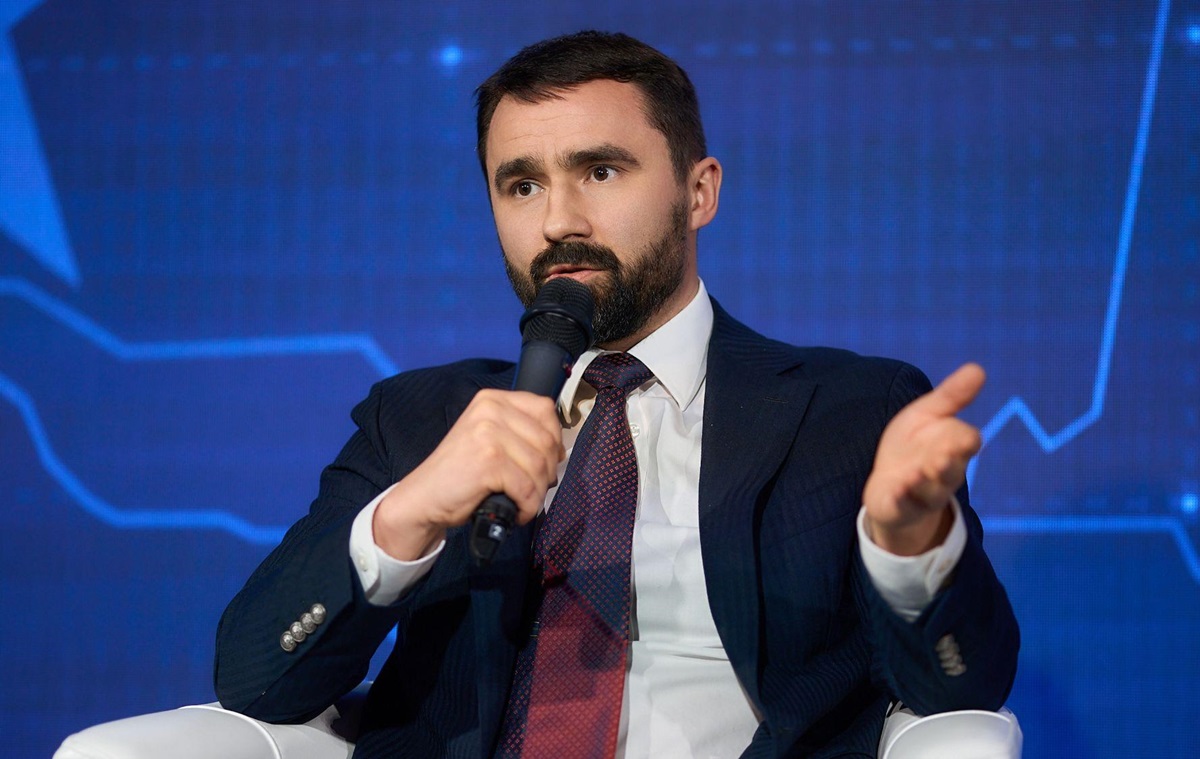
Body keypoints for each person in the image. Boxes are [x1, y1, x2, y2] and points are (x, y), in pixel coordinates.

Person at [214, 30, 1019, 758]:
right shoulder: (416, 420)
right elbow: (254, 682)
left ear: (699, 192)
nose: (559, 220)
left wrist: (909, 546)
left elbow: (961, 689)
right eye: (521, 185)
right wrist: (408, 516)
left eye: (600, 171)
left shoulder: (848, 410)